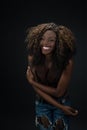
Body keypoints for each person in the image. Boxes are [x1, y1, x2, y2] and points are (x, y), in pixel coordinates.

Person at [25, 22, 78, 130]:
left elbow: (58, 92)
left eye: (51, 40)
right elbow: (37, 89)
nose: (45, 43)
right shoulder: (33, 58)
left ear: (59, 43)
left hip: (62, 100)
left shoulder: (67, 62)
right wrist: (62, 108)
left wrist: (32, 82)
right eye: (42, 38)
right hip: (41, 102)